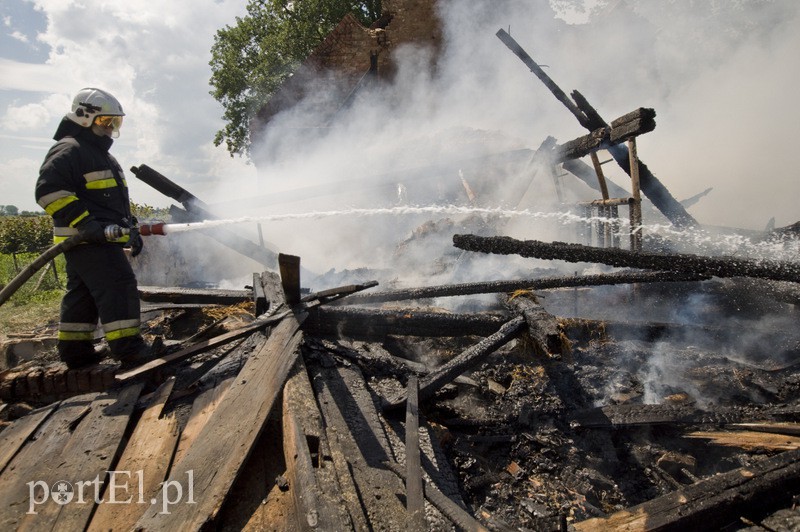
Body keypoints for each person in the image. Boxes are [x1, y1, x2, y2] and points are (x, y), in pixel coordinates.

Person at [35, 87, 151, 369]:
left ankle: (76, 352)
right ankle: (129, 349)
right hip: (86, 239)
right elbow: (48, 191)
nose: (111, 129)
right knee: (118, 285)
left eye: (115, 122)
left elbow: (111, 202)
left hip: (91, 241)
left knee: (82, 294)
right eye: (105, 122)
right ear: (84, 116)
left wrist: (129, 227)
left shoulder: (100, 155)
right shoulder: (70, 149)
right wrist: (87, 224)